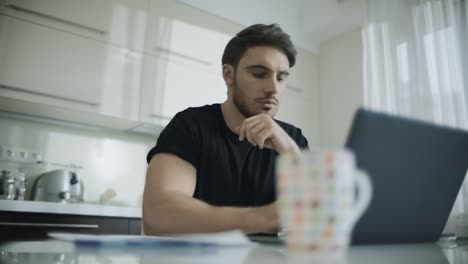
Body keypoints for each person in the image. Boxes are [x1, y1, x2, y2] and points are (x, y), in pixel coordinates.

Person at [143, 24, 308, 236]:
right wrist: (264, 218)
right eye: (259, 74)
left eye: (281, 77)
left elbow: (322, 219)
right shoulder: (190, 126)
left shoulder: (293, 139)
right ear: (228, 75)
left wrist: (291, 152)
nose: (273, 88)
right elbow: (158, 216)